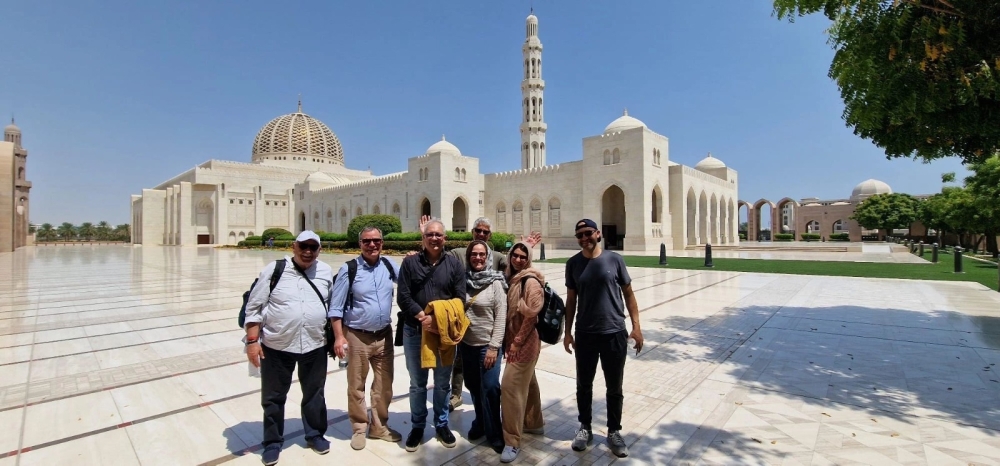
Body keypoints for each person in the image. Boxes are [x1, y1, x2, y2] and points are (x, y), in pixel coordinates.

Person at [244, 231, 333, 466]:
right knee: (274, 397)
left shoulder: (324, 272)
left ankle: (315, 434)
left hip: (315, 344)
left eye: (313, 247)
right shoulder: (275, 270)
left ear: (319, 250)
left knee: (315, 393)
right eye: (303, 246)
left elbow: (333, 305)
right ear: (294, 246)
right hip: (277, 345)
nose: (307, 251)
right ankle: (272, 442)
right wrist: (252, 342)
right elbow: (254, 306)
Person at [563, 219, 644, 458]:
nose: (584, 238)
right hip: (586, 333)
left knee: (614, 387)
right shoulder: (573, 264)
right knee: (583, 385)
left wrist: (636, 327)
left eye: (588, 233)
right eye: (580, 235)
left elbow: (629, 294)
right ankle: (585, 427)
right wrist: (567, 332)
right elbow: (571, 301)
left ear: (597, 234)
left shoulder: (614, 260)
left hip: (614, 333)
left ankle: (614, 431)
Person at [329, 226, 402, 450]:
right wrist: (339, 337)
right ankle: (359, 427)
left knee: (384, 384)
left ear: (382, 242)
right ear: (360, 243)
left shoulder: (389, 265)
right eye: (367, 241)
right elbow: (336, 307)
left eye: (376, 241)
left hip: (383, 336)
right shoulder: (349, 269)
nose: (372, 245)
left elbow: (411, 281)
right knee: (356, 385)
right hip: (357, 336)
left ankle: (379, 427)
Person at [396, 218, 467, 452]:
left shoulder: (455, 266)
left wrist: (437, 320)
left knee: (442, 383)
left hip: (444, 335)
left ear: (444, 238)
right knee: (417, 384)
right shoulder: (410, 263)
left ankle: (442, 424)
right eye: (430, 235)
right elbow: (403, 296)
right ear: (423, 238)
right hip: (415, 331)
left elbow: (460, 299)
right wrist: (422, 317)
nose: (434, 238)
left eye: (438, 235)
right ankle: (417, 426)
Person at [458, 240, 507, 453]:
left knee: (490, 389)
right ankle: (480, 422)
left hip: (488, 346)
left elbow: (501, 317)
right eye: (473, 254)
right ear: (469, 257)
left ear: (487, 257)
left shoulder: (495, 282)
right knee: (474, 387)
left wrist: (494, 347)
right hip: (467, 346)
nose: (477, 258)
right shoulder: (463, 281)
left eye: (481, 254)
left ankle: (495, 432)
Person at [498, 242, 545, 463]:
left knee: (510, 387)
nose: (518, 259)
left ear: (528, 259)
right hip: (515, 340)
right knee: (529, 382)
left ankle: (512, 441)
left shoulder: (530, 281)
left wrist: (516, 343)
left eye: (522, 256)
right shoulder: (512, 277)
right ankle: (534, 423)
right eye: (514, 255)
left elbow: (531, 316)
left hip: (524, 343)